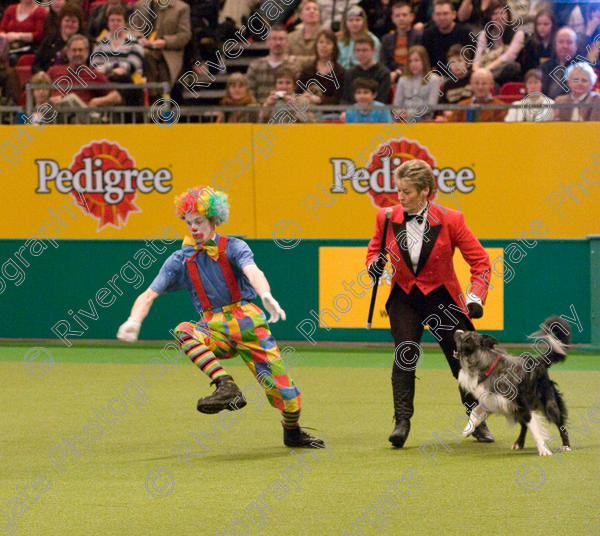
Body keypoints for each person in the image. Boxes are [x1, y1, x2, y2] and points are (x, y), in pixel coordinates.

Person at [117, 186, 326, 450]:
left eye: (199, 221)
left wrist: (265, 295)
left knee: (287, 396)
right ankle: (225, 385)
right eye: (189, 222)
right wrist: (133, 321)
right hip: (213, 326)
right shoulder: (180, 259)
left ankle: (292, 432)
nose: (193, 228)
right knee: (184, 330)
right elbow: (148, 295)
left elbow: (253, 270)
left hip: (249, 324)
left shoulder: (234, 247)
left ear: (214, 219)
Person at [366, 159, 493, 448]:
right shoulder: (385, 217)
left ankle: (477, 419)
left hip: (441, 297)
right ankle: (402, 422)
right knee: (404, 356)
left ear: (425, 191)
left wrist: (475, 297)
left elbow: (481, 262)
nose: (400, 197)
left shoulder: (451, 219)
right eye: (398, 190)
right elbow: (374, 249)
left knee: (462, 361)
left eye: (407, 192)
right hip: (404, 297)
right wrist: (373, 263)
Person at [48, 34, 122, 109]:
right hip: (56, 113)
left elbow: (116, 97)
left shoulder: (95, 75)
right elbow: (39, 89)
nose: (77, 54)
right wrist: (48, 99)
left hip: (81, 116)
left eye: (80, 50)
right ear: (67, 52)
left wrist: (96, 101)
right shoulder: (54, 71)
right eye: (74, 50)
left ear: (87, 52)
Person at [91, 6, 144, 106]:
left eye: (119, 20)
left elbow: (131, 65)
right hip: (106, 82)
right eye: (112, 20)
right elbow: (95, 66)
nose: (115, 23)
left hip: (128, 83)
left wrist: (107, 68)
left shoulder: (135, 43)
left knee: (122, 78)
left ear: (125, 23)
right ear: (108, 23)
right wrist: (115, 68)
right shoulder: (100, 43)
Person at [133, 0, 191, 90]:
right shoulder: (140, 5)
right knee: (144, 55)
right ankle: (151, 95)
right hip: (142, 48)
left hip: (167, 51)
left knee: (159, 67)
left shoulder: (181, 8)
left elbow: (184, 35)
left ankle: (156, 95)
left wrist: (165, 41)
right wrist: (138, 37)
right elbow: (132, 28)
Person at [472, 3, 525, 87]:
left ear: (508, 15)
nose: (498, 16)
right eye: (494, 14)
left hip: (504, 70)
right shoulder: (484, 34)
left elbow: (508, 57)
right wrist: (476, 70)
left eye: (502, 13)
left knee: (511, 66)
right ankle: (484, 81)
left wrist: (486, 71)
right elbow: (478, 55)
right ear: (490, 17)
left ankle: (485, 80)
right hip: (486, 70)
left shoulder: (518, 34)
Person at [246, 25, 298, 104]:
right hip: (260, 112)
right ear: (267, 42)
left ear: (287, 42)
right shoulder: (255, 66)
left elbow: (298, 94)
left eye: (281, 39)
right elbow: (249, 94)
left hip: (287, 112)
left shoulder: (294, 66)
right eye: (274, 39)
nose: (278, 43)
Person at [297, 29, 345, 105]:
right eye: (321, 42)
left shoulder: (340, 72)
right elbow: (298, 93)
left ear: (334, 47)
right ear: (316, 45)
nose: (324, 46)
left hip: (331, 114)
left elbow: (339, 99)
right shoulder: (307, 70)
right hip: (307, 111)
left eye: (328, 43)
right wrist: (304, 97)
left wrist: (319, 100)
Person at [33, 4, 84, 74]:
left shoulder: (85, 42)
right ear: (61, 22)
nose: (69, 24)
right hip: (48, 80)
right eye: (67, 20)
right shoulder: (49, 40)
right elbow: (36, 65)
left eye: (73, 21)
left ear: (79, 24)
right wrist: (42, 74)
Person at [393, 45, 440, 120]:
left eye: (416, 60)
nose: (413, 64)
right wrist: (400, 112)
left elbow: (431, 106)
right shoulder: (403, 79)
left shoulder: (434, 79)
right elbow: (396, 104)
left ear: (424, 61)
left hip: (424, 117)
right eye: (410, 61)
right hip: (403, 117)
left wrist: (410, 114)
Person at [421, 0, 471, 69]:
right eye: (438, 14)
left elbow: (470, 60)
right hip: (436, 76)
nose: (442, 18)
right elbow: (426, 62)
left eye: (445, 14)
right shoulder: (428, 35)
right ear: (433, 16)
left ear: (453, 15)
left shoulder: (465, 33)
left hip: (460, 73)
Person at [380, 1, 422, 83]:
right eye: (397, 16)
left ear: (412, 17)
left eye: (404, 15)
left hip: (414, 76)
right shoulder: (386, 39)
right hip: (391, 77)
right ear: (393, 18)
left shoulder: (419, 37)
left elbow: (421, 61)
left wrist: (399, 72)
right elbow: (383, 63)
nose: (401, 18)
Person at [342, 34, 391, 103]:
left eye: (365, 50)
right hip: (354, 111)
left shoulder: (383, 73)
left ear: (374, 51)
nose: (361, 54)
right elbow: (346, 98)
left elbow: (382, 99)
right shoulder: (350, 73)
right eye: (358, 50)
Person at [541, 27, 578, 100]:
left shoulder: (582, 68)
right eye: (561, 42)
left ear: (576, 46)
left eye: (569, 42)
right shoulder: (544, 67)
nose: (565, 46)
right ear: (555, 45)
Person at [288, 0, 323, 69]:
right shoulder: (290, 37)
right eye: (307, 9)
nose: (312, 11)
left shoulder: (326, 35)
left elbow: (322, 59)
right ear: (300, 15)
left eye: (315, 9)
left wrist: (296, 59)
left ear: (319, 14)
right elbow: (286, 59)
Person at [520, 8, 556, 75]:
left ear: (553, 25)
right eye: (539, 24)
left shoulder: (557, 43)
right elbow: (527, 68)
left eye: (546, 24)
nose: (542, 27)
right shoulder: (530, 43)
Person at [439, 43, 473, 114]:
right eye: (452, 62)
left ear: (468, 63)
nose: (456, 65)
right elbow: (443, 107)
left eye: (459, 61)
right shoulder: (447, 85)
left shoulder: (475, 81)